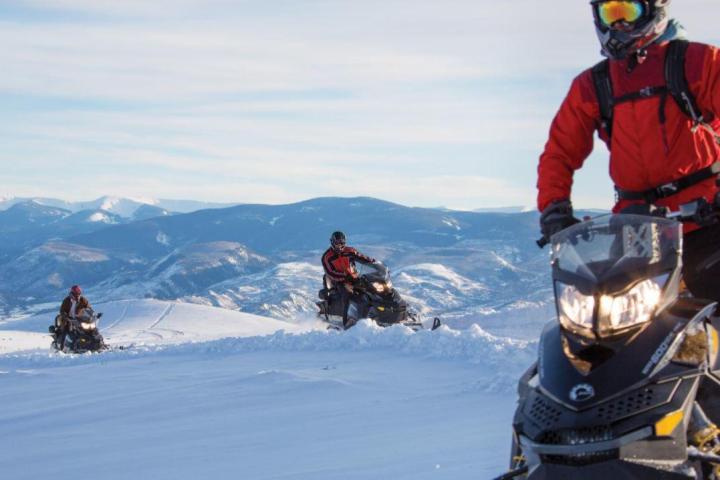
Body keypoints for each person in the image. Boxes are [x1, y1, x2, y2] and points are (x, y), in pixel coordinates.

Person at [537, 0, 720, 302]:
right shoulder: (595, 84)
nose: (618, 25)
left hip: (706, 220)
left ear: (653, 10)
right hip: (635, 231)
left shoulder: (699, 62)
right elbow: (559, 151)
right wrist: (554, 207)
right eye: (610, 13)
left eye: (628, 11)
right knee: (606, 323)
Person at [321, 231, 376, 329]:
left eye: (341, 243)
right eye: (337, 243)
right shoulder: (327, 257)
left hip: (353, 278)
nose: (339, 245)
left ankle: (378, 315)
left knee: (372, 289)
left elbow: (362, 258)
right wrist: (344, 277)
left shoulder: (349, 251)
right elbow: (330, 272)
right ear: (332, 243)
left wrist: (374, 263)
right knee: (347, 295)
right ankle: (346, 323)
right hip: (338, 282)